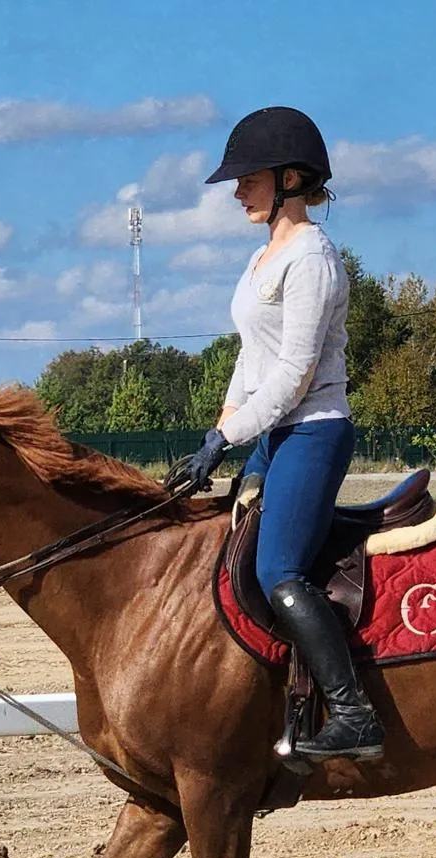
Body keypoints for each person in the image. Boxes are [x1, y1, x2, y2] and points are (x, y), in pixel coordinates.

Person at [175, 106, 381, 761]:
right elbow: (250, 361)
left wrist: (229, 437)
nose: (237, 191)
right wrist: (218, 432)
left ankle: (354, 715)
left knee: (277, 570)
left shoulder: (313, 258)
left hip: (315, 431)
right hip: (274, 435)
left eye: (248, 179)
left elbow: (293, 375)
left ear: (291, 178)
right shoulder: (265, 257)